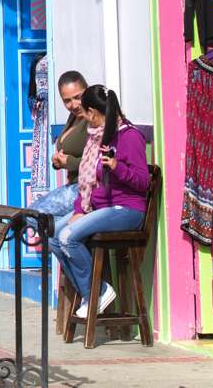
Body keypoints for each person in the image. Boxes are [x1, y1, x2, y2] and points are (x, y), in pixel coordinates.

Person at [48, 85, 151, 320]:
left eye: (85, 113)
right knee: (55, 237)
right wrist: (79, 210)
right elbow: (89, 182)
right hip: (102, 206)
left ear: (93, 112)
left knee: (68, 237)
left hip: (126, 209)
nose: (83, 119)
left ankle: (98, 293)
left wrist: (117, 168)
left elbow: (142, 182)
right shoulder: (100, 136)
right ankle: (90, 295)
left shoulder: (129, 135)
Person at [29, 71, 90, 227]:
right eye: (67, 101)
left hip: (86, 189)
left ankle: (68, 240)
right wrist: (57, 161)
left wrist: (68, 161)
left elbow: (96, 161)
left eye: (78, 97)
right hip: (74, 185)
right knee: (33, 216)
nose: (74, 105)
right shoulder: (75, 116)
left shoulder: (93, 118)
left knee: (35, 216)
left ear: (88, 90)